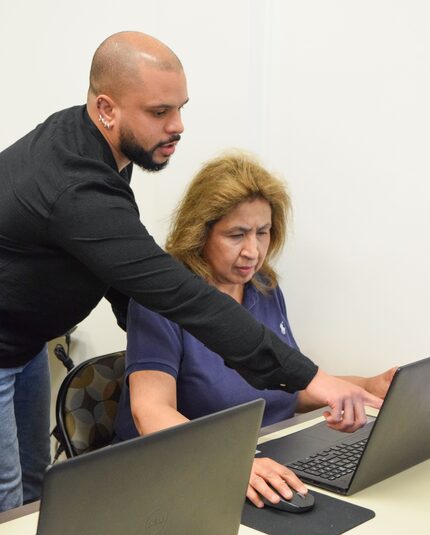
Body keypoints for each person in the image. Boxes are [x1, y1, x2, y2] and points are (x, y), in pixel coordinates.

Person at [0, 31, 381, 512]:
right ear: (106, 109)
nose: (178, 125)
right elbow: (172, 291)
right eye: (159, 113)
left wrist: (150, 324)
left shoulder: (97, 146)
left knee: (34, 489)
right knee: (6, 495)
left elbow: (115, 267)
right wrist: (312, 377)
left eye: (180, 108)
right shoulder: (75, 185)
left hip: (23, 338)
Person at [114, 151, 396, 507]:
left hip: (265, 461)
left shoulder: (263, 287)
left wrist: (363, 387)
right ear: (200, 233)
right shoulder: (162, 299)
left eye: (262, 232)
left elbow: (288, 388)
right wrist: (232, 463)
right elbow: (150, 412)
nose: (253, 251)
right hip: (181, 473)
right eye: (237, 235)